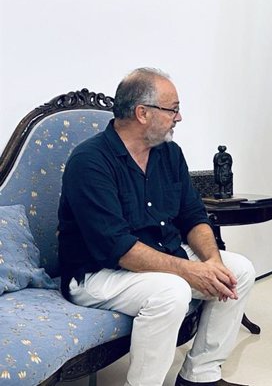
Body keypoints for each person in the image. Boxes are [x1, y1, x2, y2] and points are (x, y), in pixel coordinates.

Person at [58, 68, 255, 386]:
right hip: (99, 274)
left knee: (239, 270)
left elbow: (193, 215)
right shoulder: (90, 162)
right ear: (142, 113)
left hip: (158, 258)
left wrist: (213, 263)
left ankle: (200, 375)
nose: (179, 117)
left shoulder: (169, 154)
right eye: (173, 108)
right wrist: (190, 272)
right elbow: (118, 247)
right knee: (171, 290)